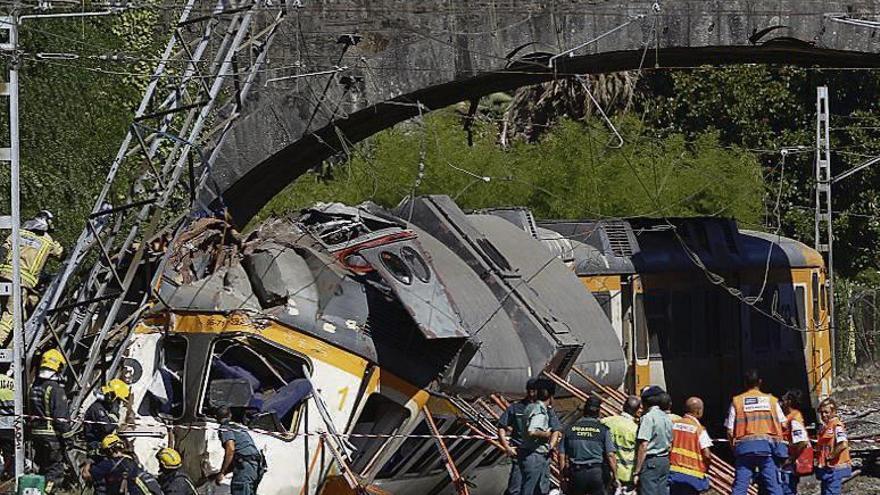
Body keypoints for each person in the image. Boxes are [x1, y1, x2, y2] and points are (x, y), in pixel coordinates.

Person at [0, 210, 63, 346]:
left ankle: (10, 346)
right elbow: (62, 256)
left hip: (3, 276)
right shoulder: (48, 241)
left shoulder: (18, 232)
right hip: (20, 282)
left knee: (19, 315)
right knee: (11, 315)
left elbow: (3, 250)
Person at [725, 369, 786, 495]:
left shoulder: (737, 401)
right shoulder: (772, 401)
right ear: (760, 382)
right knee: (774, 486)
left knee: (740, 488)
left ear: (745, 383)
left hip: (744, 450)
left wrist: (734, 449)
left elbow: (730, 431)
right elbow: (784, 424)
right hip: (767, 450)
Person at [29, 348, 73, 493]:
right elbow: (61, 419)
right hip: (51, 437)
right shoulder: (55, 389)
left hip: (36, 435)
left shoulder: (34, 387)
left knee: (42, 469)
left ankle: (39, 491)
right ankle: (47, 492)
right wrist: (68, 437)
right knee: (54, 471)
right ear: (57, 366)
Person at [560, 396, 617, 495]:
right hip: (597, 474)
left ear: (584, 411)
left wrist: (562, 478)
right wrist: (615, 476)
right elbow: (610, 455)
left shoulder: (570, 429)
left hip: (576, 474)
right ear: (598, 412)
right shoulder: (603, 430)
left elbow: (561, 455)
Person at [211, 405, 266, 495]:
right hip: (256, 467)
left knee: (239, 488)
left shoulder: (224, 427)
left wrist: (222, 472)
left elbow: (231, 449)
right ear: (230, 415)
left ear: (216, 417)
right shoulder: (239, 428)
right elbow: (240, 456)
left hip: (246, 468)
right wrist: (223, 473)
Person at [519, 379, 560, 495]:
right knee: (533, 489)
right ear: (551, 396)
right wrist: (547, 434)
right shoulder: (540, 411)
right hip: (535, 455)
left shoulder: (530, 407)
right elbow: (532, 430)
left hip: (528, 453)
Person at [84, 434, 162, 495]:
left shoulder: (106, 465)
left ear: (109, 450)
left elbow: (86, 475)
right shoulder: (132, 461)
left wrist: (88, 462)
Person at [498, 378, 539, 495]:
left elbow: (555, 430)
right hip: (521, 454)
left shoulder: (544, 408)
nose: (533, 394)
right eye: (531, 391)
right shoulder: (516, 408)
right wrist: (507, 447)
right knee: (515, 489)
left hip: (538, 456)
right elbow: (501, 426)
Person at [633, 386, 672, 495]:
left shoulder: (648, 418)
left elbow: (643, 446)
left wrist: (637, 471)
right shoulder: (666, 417)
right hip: (664, 460)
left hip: (651, 462)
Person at [669, 397, 713, 495]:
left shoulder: (673, 424)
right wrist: (707, 468)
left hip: (673, 472)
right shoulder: (699, 429)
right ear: (698, 411)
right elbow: (707, 454)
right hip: (693, 476)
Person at [602, 395, 641, 492]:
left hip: (607, 471)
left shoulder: (606, 422)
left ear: (623, 407)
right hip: (627, 474)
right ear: (637, 411)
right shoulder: (635, 429)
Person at [84, 378, 131, 457]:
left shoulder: (105, 408)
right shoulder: (97, 408)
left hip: (105, 444)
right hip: (96, 446)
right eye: (118, 400)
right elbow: (107, 427)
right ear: (111, 396)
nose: (118, 404)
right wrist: (115, 413)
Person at [815, 398, 852, 495]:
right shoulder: (826, 427)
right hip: (827, 469)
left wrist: (830, 456)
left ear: (833, 412)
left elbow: (843, 444)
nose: (823, 415)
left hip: (834, 469)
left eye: (826, 412)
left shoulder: (837, 426)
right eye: (821, 412)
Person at [780, 389, 810, 495]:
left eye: (783, 399)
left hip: (790, 464)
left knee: (787, 490)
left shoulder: (794, 418)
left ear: (789, 401)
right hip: (788, 461)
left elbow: (802, 442)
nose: (781, 402)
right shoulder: (788, 417)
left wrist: (791, 459)